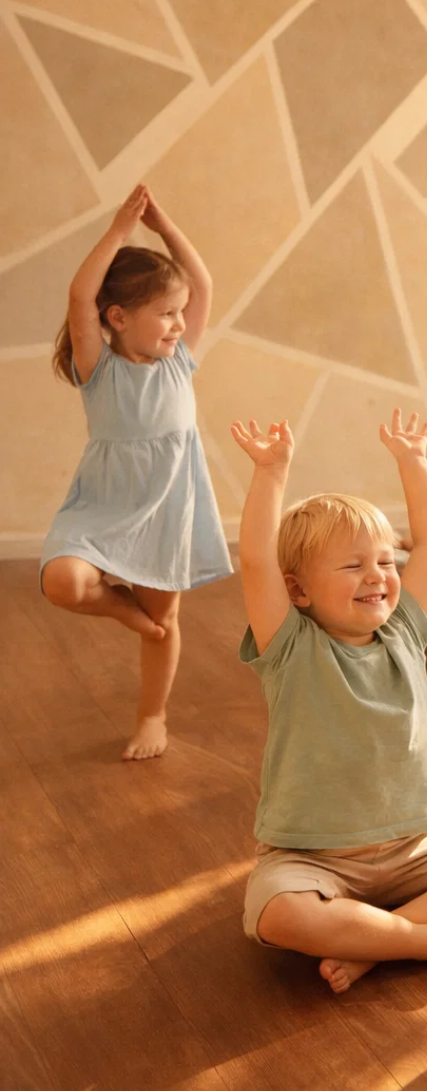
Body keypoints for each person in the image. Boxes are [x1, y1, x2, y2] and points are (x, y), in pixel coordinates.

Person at [230, 410, 427, 994]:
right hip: (316, 860)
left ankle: (375, 941)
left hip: (414, 849)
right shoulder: (290, 646)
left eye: (383, 562)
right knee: (275, 914)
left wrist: (414, 463)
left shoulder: (405, 633)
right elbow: (253, 561)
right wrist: (272, 472)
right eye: (352, 566)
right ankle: (426, 940)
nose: (377, 577)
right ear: (297, 589)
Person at [40, 184, 231, 761]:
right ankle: (133, 618)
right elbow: (81, 294)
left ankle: (153, 716)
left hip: (168, 505)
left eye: (179, 313)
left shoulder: (180, 361)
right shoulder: (96, 365)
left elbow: (203, 284)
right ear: (117, 318)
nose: (178, 324)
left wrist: (165, 226)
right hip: (104, 504)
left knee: (166, 617)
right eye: (165, 314)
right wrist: (121, 229)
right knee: (64, 583)